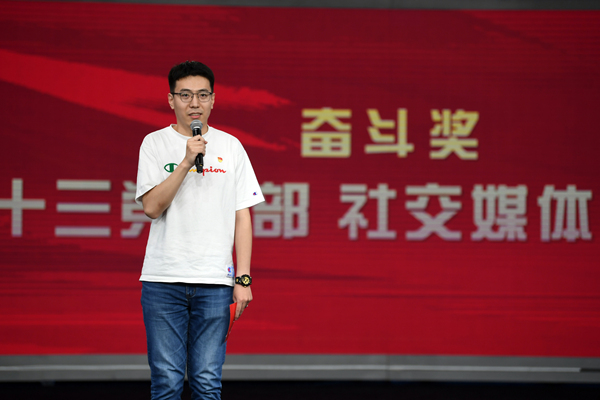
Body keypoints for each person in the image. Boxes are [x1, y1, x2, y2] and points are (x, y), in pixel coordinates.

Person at [135, 60, 264, 400]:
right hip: (164, 280)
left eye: (203, 95)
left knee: (207, 382)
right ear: (171, 99)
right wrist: (185, 163)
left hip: (215, 282)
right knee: (166, 383)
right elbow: (151, 208)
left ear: (213, 100)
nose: (195, 103)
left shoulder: (231, 147)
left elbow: (242, 216)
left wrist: (244, 278)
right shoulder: (154, 143)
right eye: (186, 95)